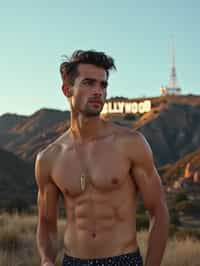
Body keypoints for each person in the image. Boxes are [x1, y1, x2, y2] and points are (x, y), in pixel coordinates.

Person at [35, 50, 169, 266]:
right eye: (89, 83)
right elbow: (47, 223)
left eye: (103, 85)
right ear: (66, 89)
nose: (98, 91)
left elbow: (159, 211)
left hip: (123, 260)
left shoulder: (130, 143)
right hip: (73, 262)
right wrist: (46, 259)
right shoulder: (49, 158)